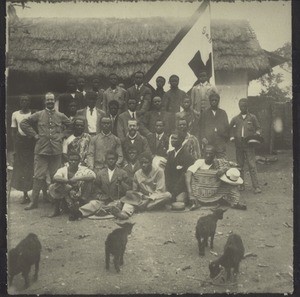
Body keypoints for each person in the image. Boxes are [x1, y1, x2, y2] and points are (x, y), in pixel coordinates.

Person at [20, 92, 72, 210]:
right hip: (41, 150)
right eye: (48, 100)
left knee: (56, 176)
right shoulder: (38, 114)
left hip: (56, 151)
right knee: (38, 176)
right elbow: (24, 123)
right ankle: (34, 202)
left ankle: (56, 201)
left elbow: (71, 125)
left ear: (54, 101)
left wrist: (62, 135)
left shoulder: (60, 115)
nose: (50, 102)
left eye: (52, 100)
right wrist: (34, 135)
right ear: (45, 102)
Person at [70, 150, 131, 220]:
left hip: (116, 199)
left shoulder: (122, 173)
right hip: (104, 199)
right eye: (109, 159)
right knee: (93, 203)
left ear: (116, 160)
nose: (111, 161)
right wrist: (99, 196)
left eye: (113, 159)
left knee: (116, 205)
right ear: (106, 160)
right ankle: (78, 212)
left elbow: (128, 189)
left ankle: (104, 211)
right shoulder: (101, 173)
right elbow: (96, 187)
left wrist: (121, 183)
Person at [185, 145, 247, 211]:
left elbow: (237, 167)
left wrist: (225, 170)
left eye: (210, 153)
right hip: (201, 189)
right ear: (203, 153)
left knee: (230, 184)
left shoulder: (219, 163)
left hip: (215, 188)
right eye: (206, 153)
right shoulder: (199, 162)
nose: (208, 155)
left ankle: (234, 203)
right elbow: (188, 173)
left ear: (214, 155)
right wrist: (190, 193)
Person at [114, 152, 172, 220]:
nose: (143, 165)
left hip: (154, 199)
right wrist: (142, 196)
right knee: (129, 195)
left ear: (151, 162)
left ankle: (138, 207)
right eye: (141, 163)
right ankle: (125, 213)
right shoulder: (137, 173)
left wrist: (148, 200)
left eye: (146, 162)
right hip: (142, 199)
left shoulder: (159, 171)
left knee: (168, 195)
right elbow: (135, 191)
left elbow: (160, 190)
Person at [48, 152, 96, 218]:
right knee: (56, 185)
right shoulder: (63, 169)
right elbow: (55, 177)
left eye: (75, 160)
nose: (73, 162)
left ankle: (81, 204)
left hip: (79, 193)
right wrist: (68, 181)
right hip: (66, 194)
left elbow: (92, 176)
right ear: (68, 161)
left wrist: (77, 178)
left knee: (88, 181)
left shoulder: (82, 169)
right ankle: (56, 210)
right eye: (71, 160)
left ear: (79, 161)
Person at [229, 98, 262, 194]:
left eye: (244, 106)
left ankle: (256, 187)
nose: (242, 108)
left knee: (252, 165)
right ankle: (241, 184)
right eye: (240, 106)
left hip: (249, 145)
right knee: (240, 166)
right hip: (239, 145)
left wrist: (257, 133)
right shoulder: (235, 118)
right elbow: (229, 128)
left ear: (247, 106)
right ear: (239, 107)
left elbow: (259, 128)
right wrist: (231, 136)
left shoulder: (252, 117)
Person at [10, 95, 35, 204]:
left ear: (29, 102)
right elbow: (13, 131)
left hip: (31, 143)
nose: (24, 102)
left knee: (31, 167)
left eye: (26, 100)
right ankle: (25, 194)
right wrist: (16, 147)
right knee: (21, 168)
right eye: (22, 100)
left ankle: (35, 193)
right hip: (20, 143)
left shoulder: (33, 114)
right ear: (20, 102)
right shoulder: (15, 114)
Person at [165, 133, 195, 204]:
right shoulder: (170, 154)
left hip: (182, 188)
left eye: (175, 138)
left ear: (181, 140)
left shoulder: (187, 156)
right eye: (172, 138)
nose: (172, 140)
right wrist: (168, 188)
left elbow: (184, 177)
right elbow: (167, 172)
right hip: (171, 187)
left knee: (179, 201)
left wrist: (174, 192)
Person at [200, 92, 229, 158]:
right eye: (212, 100)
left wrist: (224, 138)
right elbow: (201, 127)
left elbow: (227, 126)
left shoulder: (223, 113)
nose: (214, 102)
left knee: (221, 160)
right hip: (208, 140)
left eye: (216, 100)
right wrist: (203, 137)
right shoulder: (205, 113)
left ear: (218, 101)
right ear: (209, 101)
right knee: (208, 158)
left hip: (220, 140)